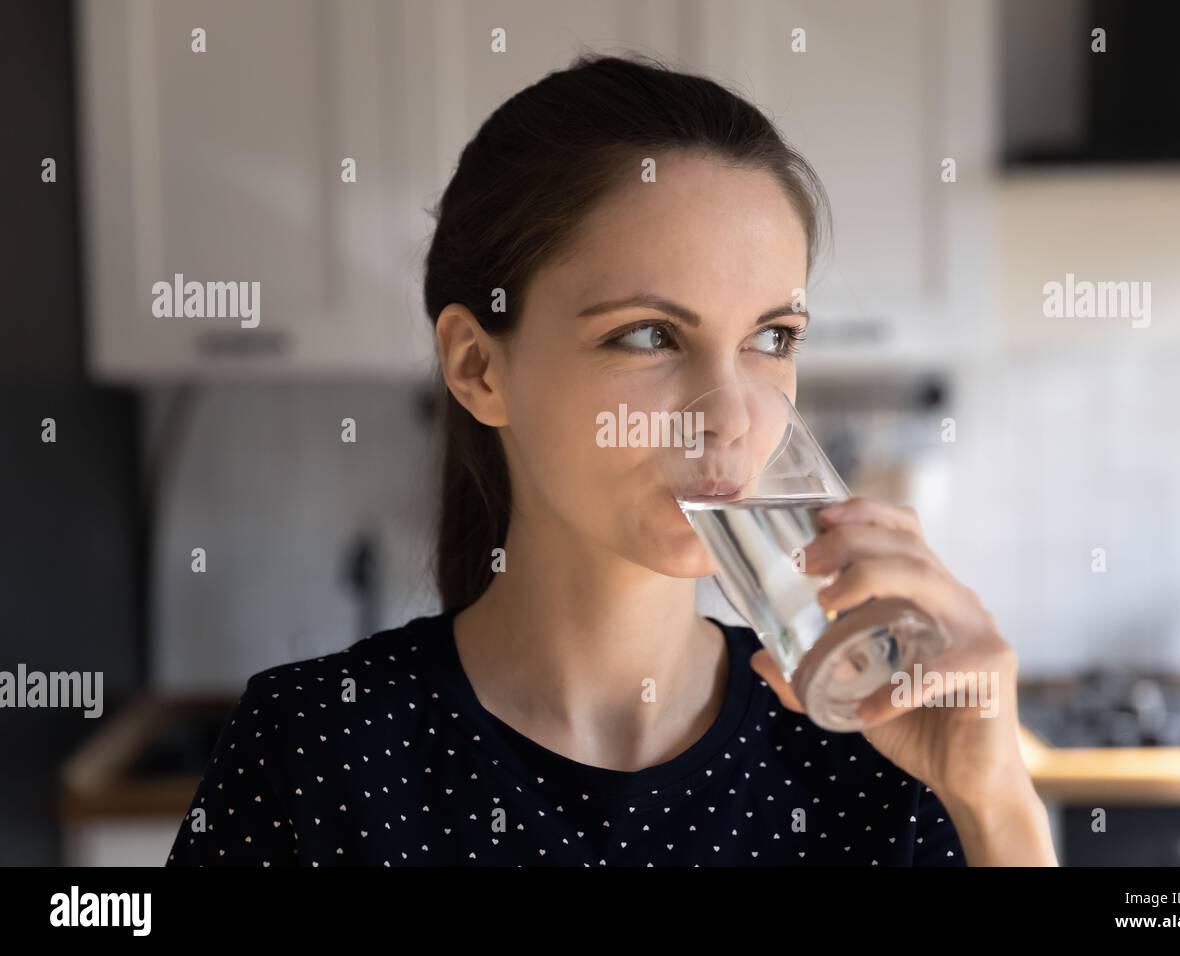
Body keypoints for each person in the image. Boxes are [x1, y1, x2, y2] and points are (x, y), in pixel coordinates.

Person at [166, 51, 1056, 867]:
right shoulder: (315, 753)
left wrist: (996, 805)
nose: (730, 416)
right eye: (647, 335)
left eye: (771, 337)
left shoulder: (876, 755)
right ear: (479, 368)